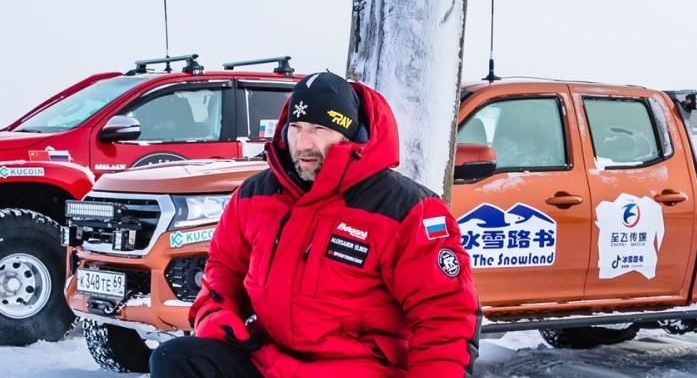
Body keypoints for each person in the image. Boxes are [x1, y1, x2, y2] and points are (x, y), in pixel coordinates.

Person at [150, 71, 480, 378]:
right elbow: (223, 267)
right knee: (176, 358)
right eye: (297, 127)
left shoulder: (407, 209)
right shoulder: (255, 194)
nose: (304, 143)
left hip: (355, 369)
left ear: (350, 133)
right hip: (268, 361)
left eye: (319, 129)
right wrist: (216, 313)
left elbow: (445, 317)